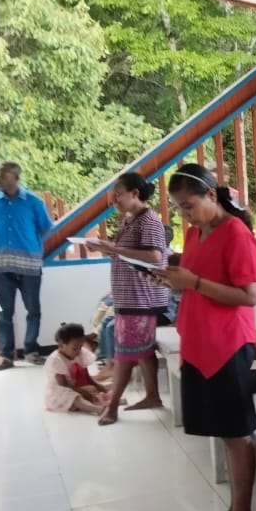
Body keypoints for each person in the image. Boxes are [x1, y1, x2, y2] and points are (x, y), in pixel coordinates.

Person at [151, 163, 256, 511]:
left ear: (212, 195)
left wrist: (193, 282)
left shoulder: (237, 234)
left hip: (228, 343)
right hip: (200, 340)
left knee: (237, 433)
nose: (185, 215)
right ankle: (234, 510)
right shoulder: (196, 232)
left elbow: (249, 296)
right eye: (179, 208)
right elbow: (196, 280)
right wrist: (172, 277)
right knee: (224, 430)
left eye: (189, 205)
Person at [93, 172, 171, 426]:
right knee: (142, 350)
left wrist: (113, 248)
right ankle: (153, 396)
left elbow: (154, 256)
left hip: (141, 298)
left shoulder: (149, 220)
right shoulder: (129, 220)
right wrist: (107, 248)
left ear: (135, 193)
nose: (114, 200)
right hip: (128, 296)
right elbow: (127, 254)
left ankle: (113, 406)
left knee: (125, 353)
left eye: (118, 195)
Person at [0, 162, 53, 371]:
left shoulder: (33, 202)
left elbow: (45, 228)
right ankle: (5, 356)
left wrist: (31, 245)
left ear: (16, 178)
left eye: (4, 176)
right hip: (1, 264)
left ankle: (31, 350)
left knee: (33, 309)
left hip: (29, 263)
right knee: (3, 313)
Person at [44, 323, 108, 413]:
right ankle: (97, 409)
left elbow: (87, 377)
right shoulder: (56, 359)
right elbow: (63, 384)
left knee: (93, 389)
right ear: (62, 345)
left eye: (80, 347)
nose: (78, 351)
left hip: (75, 387)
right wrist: (82, 392)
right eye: (74, 348)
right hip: (61, 390)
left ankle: (80, 404)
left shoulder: (81, 353)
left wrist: (98, 386)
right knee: (75, 397)